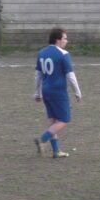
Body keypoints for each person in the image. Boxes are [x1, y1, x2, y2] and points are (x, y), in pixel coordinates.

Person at [34, 27, 82, 158]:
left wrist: (37, 93)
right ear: (58, 40)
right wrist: (77, 92)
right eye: (65, 38)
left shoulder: (42, 53)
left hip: (46, 91)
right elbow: (70, 76)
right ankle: (42, 139)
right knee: (64, 119)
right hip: (58, 91)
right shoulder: (63, 54)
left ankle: (56, 151)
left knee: (53, 120)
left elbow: (38, 75)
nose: (67, 41)